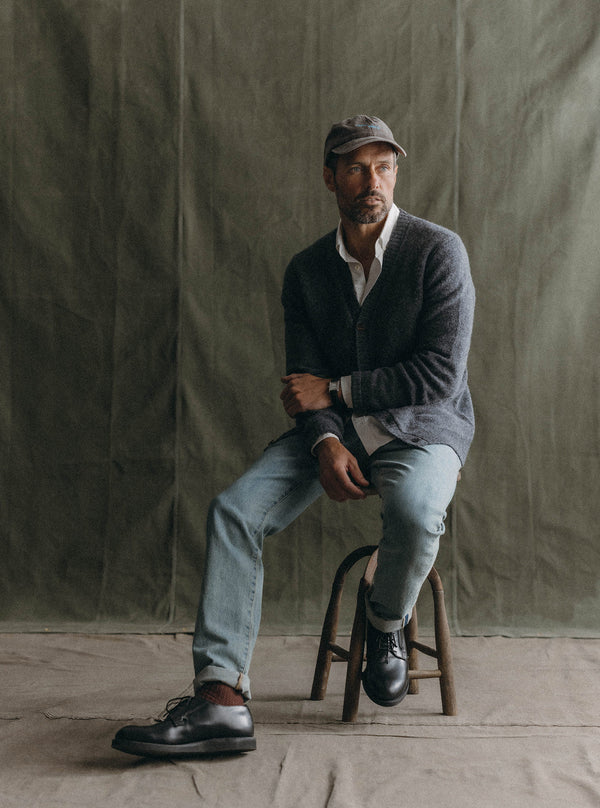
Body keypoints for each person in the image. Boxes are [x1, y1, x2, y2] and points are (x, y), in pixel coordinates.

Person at [112, 114, 475, 758]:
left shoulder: (437, 250)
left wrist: (337, 392)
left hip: (421, 428)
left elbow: (439, 375)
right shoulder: (307, 271)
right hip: (336, 435)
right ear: (329, 176)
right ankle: (221, 699)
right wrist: (324, 441)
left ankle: (386, 621)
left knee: (417, 512)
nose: (373, 181)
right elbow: (301, 385)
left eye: (385, 167)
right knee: (233, 511)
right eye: (357, 167)